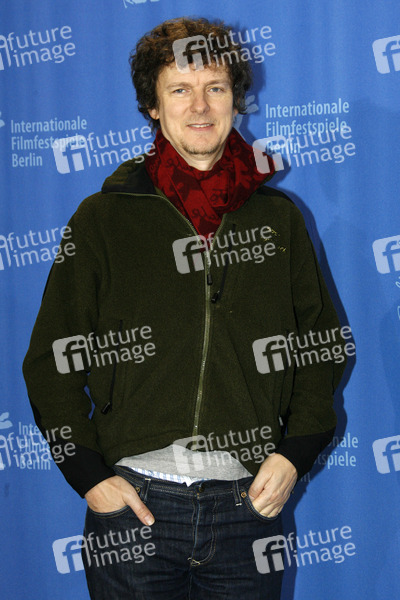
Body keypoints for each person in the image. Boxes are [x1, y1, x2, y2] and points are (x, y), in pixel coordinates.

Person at [23, 17, 347, 600]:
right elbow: (52, 360)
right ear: (153, 105)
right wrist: (90, 477)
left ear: (235, 100)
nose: (200, 106)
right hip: (133, 509)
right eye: (180, 89)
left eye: (215, 87)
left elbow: (319, 349)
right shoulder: (102, 218)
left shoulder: (278, 220)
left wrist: (293, 455)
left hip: (248, 510)